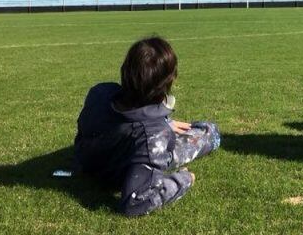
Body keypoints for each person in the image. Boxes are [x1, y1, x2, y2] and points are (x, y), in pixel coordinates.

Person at [74, 37, 220, 216]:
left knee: (167, 130)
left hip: (89, 160)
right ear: (167, 83)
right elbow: (134, 202)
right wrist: (182, 180)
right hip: (115, 170)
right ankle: (211, 134)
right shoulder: (152, 136)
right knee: (208, 133)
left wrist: (162, 122)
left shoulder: (100, 92)